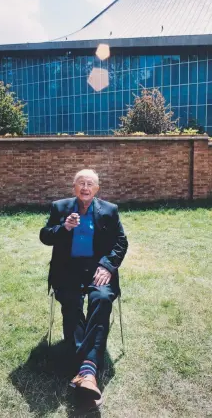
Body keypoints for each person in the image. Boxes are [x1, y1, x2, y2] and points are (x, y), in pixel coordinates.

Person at [40, 169, 128, 408]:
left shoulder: (109, 211)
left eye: (90, 184)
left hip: (98, 270)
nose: (85, 187)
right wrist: (64, 228)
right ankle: (88, 369)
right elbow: (45, 236)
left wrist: (107, 266)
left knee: (101, 298)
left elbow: (121, 242)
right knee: (71, 302)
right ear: (74, 187)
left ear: (97, 189)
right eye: (81, 183)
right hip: (68, 271)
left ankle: (84, 370)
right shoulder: (60, 208)